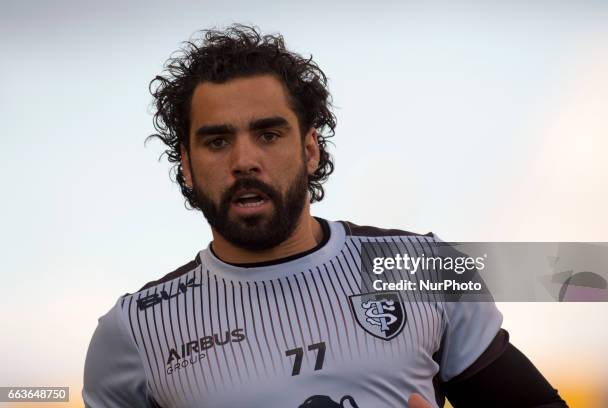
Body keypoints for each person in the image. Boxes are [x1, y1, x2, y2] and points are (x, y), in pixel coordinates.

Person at [83, 25, 568, 408]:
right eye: (216, 141)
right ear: (186, 166)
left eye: (269, 134)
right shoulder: (133, 330)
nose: (244, 160)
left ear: (311, 149)